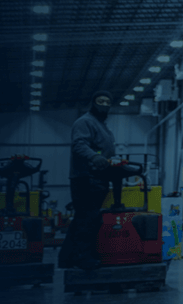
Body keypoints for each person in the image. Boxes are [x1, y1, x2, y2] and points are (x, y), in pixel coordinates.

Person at [62, 91, 138, 269]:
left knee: (85, 218)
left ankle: (67, 257)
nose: (104, 104)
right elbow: (79, 144)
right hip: (85, 177)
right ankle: (84, 258)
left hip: (99, 177)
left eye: (107, 101)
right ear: (93, 103)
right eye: (100, 100)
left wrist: (117, 165)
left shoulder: (103, 126)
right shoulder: (85, 121)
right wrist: (94, 157)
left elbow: (106, 154)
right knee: (88, 218)